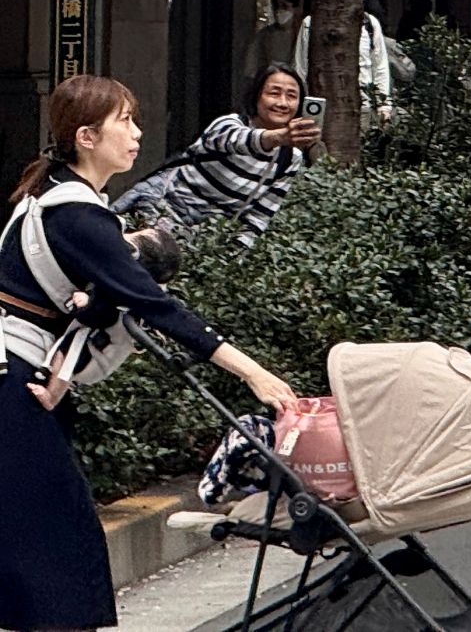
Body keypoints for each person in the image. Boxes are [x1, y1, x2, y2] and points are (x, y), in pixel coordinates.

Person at [2, 75, 295, 632]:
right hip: (14, 384)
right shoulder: (76, 214)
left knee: (34, 534)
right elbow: (154, 306)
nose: (138, 133)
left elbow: (76, 303)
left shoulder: (55, 197)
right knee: (58, 538)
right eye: (126, 122)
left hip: (25, 378)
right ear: (86, 136)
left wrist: (63, 369)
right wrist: (255, 374)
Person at [115, 65, 320, 247]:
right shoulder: (228, 124)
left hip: (204, 236)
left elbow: (260, 215)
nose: (283, 103)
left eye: (292, 96)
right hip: (161, 207)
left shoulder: (290, 158)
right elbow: (238, 140)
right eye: (274, 93)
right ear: (256, 96)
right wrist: (279, 136)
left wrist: (235, 252)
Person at [238, 0, 303, 92]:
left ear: (295, 9)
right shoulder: (263, 36)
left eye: (285, 6)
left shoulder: (302, 35)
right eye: (276, 7)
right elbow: (250, 68)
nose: (279, 11)